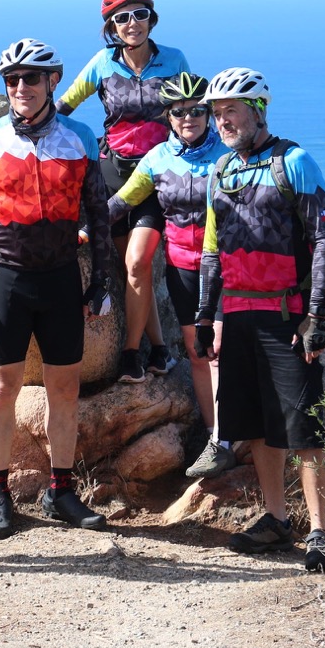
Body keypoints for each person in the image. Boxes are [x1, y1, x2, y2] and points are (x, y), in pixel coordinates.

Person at [0, 38, 113, 541]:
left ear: (52, 83)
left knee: (65, 388)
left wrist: (102, 281)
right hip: (6, 276)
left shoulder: (80, 137)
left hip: (63, 275)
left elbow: (100, 216)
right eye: (13, 79)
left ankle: (60, 490)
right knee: (2, 387)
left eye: (32, 78)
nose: (21, 87)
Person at [195, 67, 325, 572]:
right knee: (255, 427)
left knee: (303, 428)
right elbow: (211, 251)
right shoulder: (220, 170)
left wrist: (316, 314)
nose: (222, 120)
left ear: (258, 111)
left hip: (287, 316)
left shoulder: (294, 162)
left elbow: (322, 239)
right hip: (236, 318)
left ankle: (320, 531)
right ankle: (277, 520)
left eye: (231, 110)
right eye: (217, 112)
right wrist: (202, 316)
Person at [56, 0, 190, 383]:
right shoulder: (102, 63)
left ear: (152, 18)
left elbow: (191, 111)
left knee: (137, 262)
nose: (133, 23)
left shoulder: (174, 60)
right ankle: (161, 351)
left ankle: (132, 354)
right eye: (122, 17)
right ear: (112, 26)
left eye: (140, 14)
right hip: (112, 172)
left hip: (156, 175)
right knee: (134, 272)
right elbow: (64, 106)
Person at [106, 72, 235, 478]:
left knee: (219, 354)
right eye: (179, 112)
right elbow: (123, 201)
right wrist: (82, 227)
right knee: (199, 355)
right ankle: (216, 435)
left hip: (227, 268)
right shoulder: (158, 158)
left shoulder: (229, 156)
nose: (189, 118)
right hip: (182, 268)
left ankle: (227, 440)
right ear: (168, 116)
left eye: (198, 110)